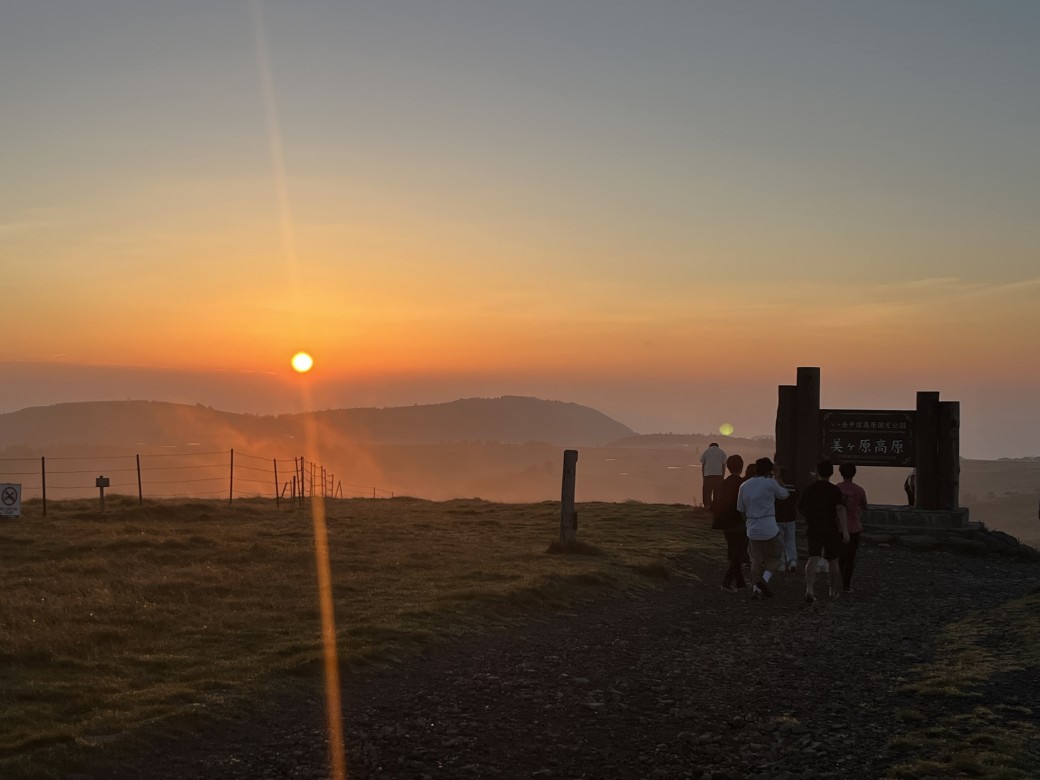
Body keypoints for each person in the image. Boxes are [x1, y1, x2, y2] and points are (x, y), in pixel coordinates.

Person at [736, 457, 789, 600]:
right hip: (770, 527)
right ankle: (763, 581)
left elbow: (741, 511)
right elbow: (784, 494)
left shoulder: (744, 486)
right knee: (775, 556)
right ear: (769, 470)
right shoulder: (770, 483)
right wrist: (778, 479)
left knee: (756, 560)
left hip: (752, 528)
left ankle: (755, 589)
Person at [799, 459, 849, 603]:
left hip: (814, 527)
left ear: (817, 472)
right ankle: (832, 591)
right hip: (831, 528)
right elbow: (840, 509)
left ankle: (809, 589)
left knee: (813, 558)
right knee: (833, 561)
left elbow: (801, 508)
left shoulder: (810, 489)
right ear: (831, 473)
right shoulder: (834, 490)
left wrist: (809, 518)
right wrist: (845, 531)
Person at [711, 454, 747, 592]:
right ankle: (726, 583)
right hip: (739, 522)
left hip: (725, 523)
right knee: (738, 554)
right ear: (741, 467)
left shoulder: (721, 484)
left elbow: (714, 506)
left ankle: (740, 583)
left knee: (734, 552)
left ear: (727, 467)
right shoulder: (743, 484)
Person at [837, 462, 868, 592]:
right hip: (854, 527)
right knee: (851, 557)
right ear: (854, 473)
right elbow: (864, 506)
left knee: (840, 556)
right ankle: (846, 584)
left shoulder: (836, 488)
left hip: (838, 527)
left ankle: (838, 579)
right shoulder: (859, 490)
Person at [775, 467, 799, 572]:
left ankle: (781, 564)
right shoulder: (793, 487)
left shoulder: (776, 488)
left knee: (779, 541)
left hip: (778, 518)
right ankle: (792, 561)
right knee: (790, 541)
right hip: (791, 518)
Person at [700, 442, 728, 510]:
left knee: (707, 492)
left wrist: (703, 476)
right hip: (718, 475)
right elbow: (723, 465)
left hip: (708, 475)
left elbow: (703, 465)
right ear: (717, 446)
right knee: (717, 492)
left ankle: (707, 506)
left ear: (710, 446)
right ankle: (716, 507)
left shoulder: (706, 452)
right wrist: (723, 476)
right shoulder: (722, 452)